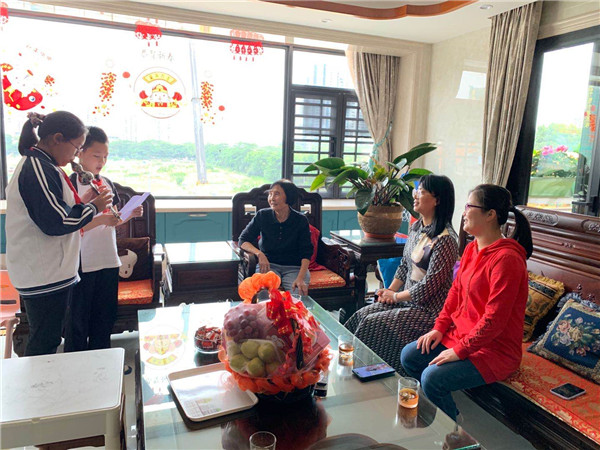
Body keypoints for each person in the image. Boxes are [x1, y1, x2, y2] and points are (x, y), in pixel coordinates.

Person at [400, 184, 533, 421]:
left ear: (490, 214)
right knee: (410, 355)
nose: (463, 212)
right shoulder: (472, 248)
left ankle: (453, 429)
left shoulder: (507, 260)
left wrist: (459, 351)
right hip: (461, 335)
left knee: (432, 378)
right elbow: (455, 293)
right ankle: (440, 414)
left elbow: (494, 319)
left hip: (494, 350)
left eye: (469, 206)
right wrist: (439, 328)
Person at [6, 111, 112, 356]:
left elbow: (58, 208)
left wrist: (85, 202)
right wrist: (94, 208)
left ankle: (45, 379)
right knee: (45, 341)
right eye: (76, 148)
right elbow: (57, 221)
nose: (75, 155)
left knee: (50, 338)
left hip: (51, 271)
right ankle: (38, 381)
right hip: (43, 273)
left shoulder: (45, 165)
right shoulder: (38, 168)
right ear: (57, 139)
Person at [343, 175, 459, 373]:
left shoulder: (446, 240)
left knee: (372, 324)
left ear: (437, 200)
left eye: (422, 192)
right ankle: (346, 364)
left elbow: (428, 286)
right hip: (406, 301)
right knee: (361, 314)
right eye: (417, 190)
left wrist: (395, 297)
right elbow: (405, 266)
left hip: (428, 311)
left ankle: (376, 374)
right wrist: (388, 291)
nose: (415, 195)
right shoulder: (417, 228)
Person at [64, 126, 143, 352]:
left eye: (105, 157)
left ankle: (103, 362)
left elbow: (113, 219)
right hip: (82, 263)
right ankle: (76, 363)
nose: (101, 162)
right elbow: (69, 226)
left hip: (108, 260)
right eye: (96, 156)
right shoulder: (69, 184)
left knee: (104, 318)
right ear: (80, 153)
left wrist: (129, 214)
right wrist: (100, 220)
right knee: (78, 322)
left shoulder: (105, 183)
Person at [238, 180, 313, 296]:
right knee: (264, 297)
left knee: (296, 299)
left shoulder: (300, 220)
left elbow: (306, 252)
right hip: (269, 265)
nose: (272, 198)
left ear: (289, 197)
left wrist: (300, 278)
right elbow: (243, 240)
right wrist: (259, 254)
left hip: (295, 268)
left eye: (277, 194)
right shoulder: (262, 215)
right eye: (270, 194)